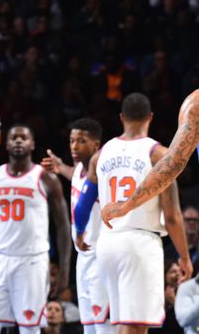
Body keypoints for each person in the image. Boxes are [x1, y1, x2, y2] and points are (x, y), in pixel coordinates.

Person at [76, 93, 191, 332]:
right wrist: (184, 257)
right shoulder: (159, 154)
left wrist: (79, 231)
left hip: (107, 244)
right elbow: (172, 216)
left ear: (121, 117)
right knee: (137, 326)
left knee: (123, 324)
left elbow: (82, 205)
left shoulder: (100, 155)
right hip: (139, 242)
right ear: (150, 117)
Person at [0, 124, 71, 333]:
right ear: (6, 144)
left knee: (29, 329)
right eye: (13, 137)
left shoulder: (46, 178)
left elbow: (62, 225)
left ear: (32, 144)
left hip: (31, 261)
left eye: (23, 138)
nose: (18, 141)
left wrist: (64, 268)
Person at [42, 118, 112, 333]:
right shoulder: (81, 170)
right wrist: (60, 167)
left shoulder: (104, 171)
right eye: (72, 141)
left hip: (101, 255)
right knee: (88, 323)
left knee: (104, 324)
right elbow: (76, 177)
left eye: (81, 141)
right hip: (83, 256)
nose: (74, 146)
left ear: (96, 144)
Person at [101, 89, 199, 226]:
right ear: (150, 117)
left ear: (122, 117)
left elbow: (172, 165)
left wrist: (126, 206)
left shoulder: (195, 104)